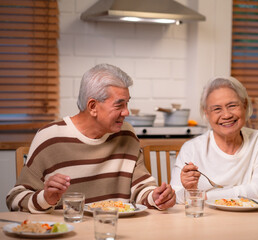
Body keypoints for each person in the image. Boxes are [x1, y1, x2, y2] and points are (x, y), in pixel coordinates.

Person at [7, 63, 176, 213]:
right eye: (119, 105)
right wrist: (46, 198)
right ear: (93, 106)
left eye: (127, 103)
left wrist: (156, 197)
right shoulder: (50, 138)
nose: (126, 112)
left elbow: (141, 188)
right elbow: (15, 198)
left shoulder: (126, 134)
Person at [170, 76, 258, 203]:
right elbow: (175, 197)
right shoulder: (191, 148)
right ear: (207, 113)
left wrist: (202, 196)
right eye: (217, 109)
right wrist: (189, 190)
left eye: (232, 105)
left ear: (245, 105)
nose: (226, 115)